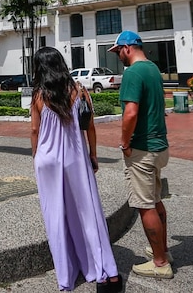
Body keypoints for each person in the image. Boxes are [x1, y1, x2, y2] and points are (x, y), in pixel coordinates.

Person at [30, 47, 123, 293]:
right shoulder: (79, 91)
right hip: (75, 159)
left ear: (40, 67)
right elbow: (89, 127)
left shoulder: (38, 95)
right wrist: (93, 154)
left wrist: (35, 156)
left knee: (56, 217)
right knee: (87, 213)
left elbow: (34, 131)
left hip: (47, 161)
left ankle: (66, 276)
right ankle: (104, 271)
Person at [110, 30, 173, 280]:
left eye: (118, 52)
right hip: (160, 146)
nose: (118, 57)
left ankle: (159, 263)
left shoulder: (133, 72)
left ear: (127, 48)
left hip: (143, 149)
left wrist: (125, 143)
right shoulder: (153, 69)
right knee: (156, 200)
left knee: (145, 206)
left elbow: (131, 113)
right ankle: (163, 251)